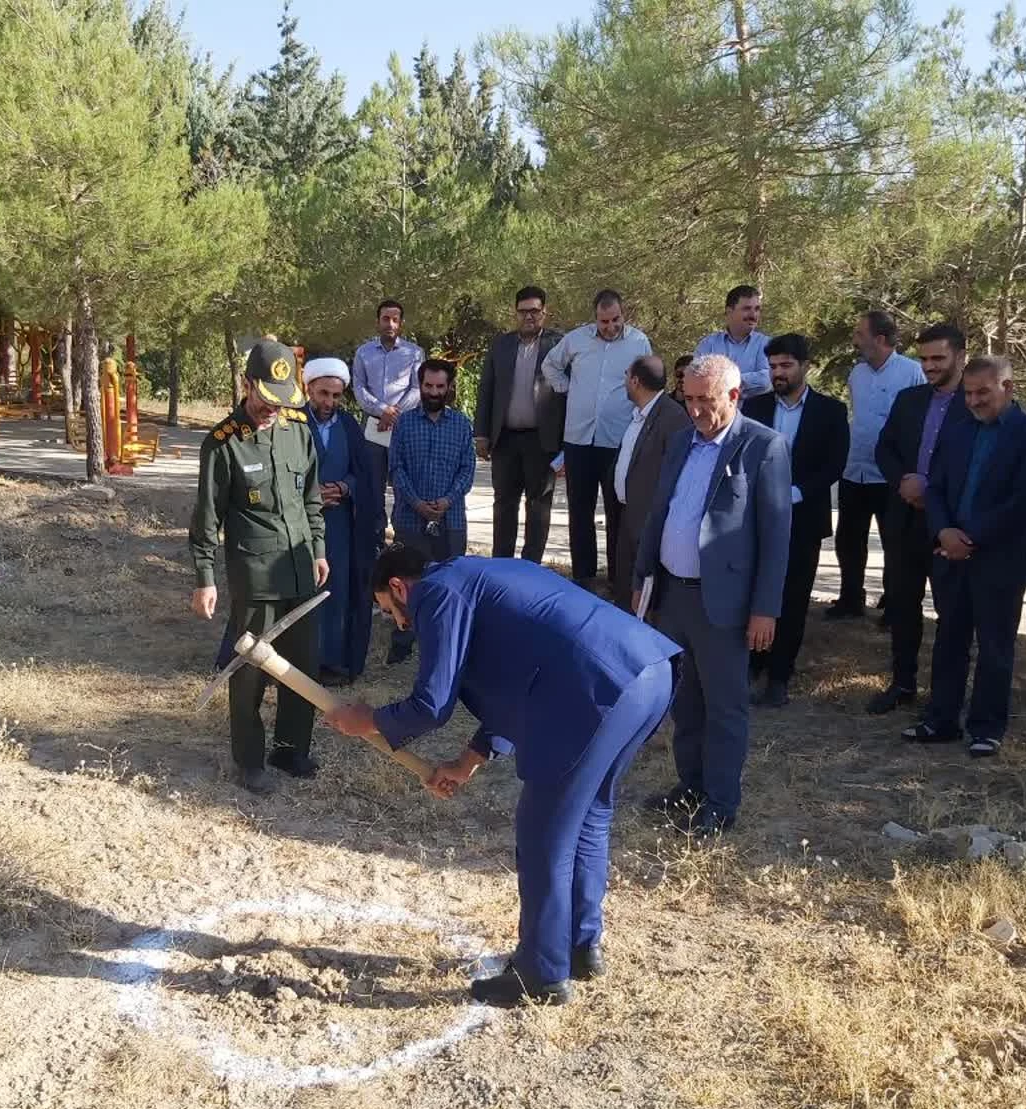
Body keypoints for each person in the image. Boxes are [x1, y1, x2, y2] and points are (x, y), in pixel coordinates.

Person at [323, 547, 678, 1006]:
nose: (401, 624)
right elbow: (515, 683)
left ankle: (541, 975)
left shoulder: (437, 593)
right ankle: (578, 947)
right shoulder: (479, 577)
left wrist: (368, 720)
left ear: (398, 587)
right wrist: (466, 763)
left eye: (390, 611)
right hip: (647, 670)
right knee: (589, 816)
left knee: (544, 833)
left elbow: (431, 705)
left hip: (595, 687)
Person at [633, 355, 792, 836]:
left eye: (706, 399)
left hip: (724, 604)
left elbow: (776, 536)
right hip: (673, 596)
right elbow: (660, 513)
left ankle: (721, 803)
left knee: (724, 707)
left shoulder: (763, 447)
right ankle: (692, 787)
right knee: (685, 703)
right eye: (689, 398)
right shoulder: (682, 441)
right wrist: (642, 579)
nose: (696, 409)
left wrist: (765, 609)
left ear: (734, 396)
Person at [190, 339, 329, 793]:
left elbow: (311, 499)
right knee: (250, 671)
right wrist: (205, 578)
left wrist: (319, 550)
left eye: (281, 400)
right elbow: (206, 518)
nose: (273, 409)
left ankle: (290, 749)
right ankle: (249, 761)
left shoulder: (298, 431)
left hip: (300, 568)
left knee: (301, 668)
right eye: (266, 398)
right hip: (256, 575)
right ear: (247, 384)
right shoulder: (222, 444)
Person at [901, 357, 1026, 756]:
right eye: (968, 393)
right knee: (949, 640)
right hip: (950, 555)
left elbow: (1024, 501)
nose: (973, 401)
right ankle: (941, 720)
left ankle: (986, 728)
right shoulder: (957, 430)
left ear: (1008, 387)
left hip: (999, 559)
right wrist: (943, 531)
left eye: (982, 392)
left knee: (995, 646)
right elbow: (935, 488)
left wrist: (969, 538)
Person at [867, 323, 973, 713]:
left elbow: (978, 462)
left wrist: (931, 489)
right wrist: (904, 482)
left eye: (938, 358)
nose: (929, 366)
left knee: (952, 613)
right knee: (902, 605)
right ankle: (902, 683)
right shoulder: (909, 400)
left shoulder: (975, 402)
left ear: (961, 356)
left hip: (951, 526)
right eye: (924, 359)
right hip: (905, 521)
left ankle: (945, 696)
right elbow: (885, 448)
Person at [740, 334, 849, 707]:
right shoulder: (753, 407)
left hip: (803, 520)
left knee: (793, 598)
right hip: (756, 519)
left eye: (785, 365)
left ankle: (779, 676)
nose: (778, 373)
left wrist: (797, 493)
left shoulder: (831, 411)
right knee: (755, 593)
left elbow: (834, 464)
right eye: (772, 366)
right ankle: (752, 665)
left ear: (806, 366)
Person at [541, 289, 652, 587]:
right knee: (580, 510)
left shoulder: (639, 342)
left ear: (623, 314)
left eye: (615, 319)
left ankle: (618, 578)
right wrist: (566, 388)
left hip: (618, 440)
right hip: (579, 439)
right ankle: (584, 576)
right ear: (595, 318)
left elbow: (648, 382)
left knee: (618, 511)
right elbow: (550, 365)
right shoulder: (576, 339)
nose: (610, 326)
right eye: (604, 321)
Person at [830, 310, 924, 620]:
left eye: (860, 334)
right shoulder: (857, 374)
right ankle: (850, 599)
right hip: (854, 470)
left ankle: (894, 604)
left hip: (891, 475)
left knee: (894, 542)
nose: (855, 340)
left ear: (880, 339)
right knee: (848, 540)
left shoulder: (912, 372)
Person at [388, 359, 476, 659]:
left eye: (440, 386)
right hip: (409, 518)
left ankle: (446, 642)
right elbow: (396, 468)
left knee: (450, 584)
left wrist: (448, 500)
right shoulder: (404, 423)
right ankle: (403, 642)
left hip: (451, 520)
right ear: (420, 385)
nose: (434, 392)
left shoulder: (462, 424)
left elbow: (467, 470)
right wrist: (417, 503)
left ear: (449, 387)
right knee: (405, 581)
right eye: (428, 386)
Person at [299, 356, 380, 685]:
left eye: (335, 395)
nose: (329, 402)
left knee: (338, 589)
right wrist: (311, 493)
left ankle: (332, 661)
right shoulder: (293, 423)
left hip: (341, 524)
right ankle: (300, 660)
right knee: (303, 589)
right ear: (309, 389)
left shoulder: (348, 425)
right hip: (300, 524)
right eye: (323, 394)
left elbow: (363, 474)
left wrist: (346, 487)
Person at [473, 286, 566, 562]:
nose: (529, 316)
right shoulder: (501, 345)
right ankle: (501, 565)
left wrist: (566, 445)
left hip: (542, 440)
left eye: (534, 311)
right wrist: (482, 434)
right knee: (504, 503)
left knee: (538, 505)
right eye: (523, 312)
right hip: (505, 439)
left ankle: (530, 567)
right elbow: (486, 389)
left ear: (544, 312)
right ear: (515, 313)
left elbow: (569, 396)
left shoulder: (558, 346)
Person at [611, 354, 692, 610]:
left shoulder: (672, 418)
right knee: (626, 592)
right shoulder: (640, 414)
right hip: (630, 515)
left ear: (635, 381)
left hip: (650, 522)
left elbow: (677, 473)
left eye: (626, 376)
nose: (624, 381)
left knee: (647, 601)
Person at [351, 299, 425, 535]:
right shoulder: (363, 353)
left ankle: (404, 537)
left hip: (404, 427)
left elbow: (417, 388)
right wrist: (382, 410)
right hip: (373, 426)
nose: (390, 324)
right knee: (373, 484)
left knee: (404, 483)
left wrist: (394, 414)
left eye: (395, 319)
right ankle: (376, 538)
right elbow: (359, 388)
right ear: (378, 321)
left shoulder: (414, 353)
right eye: (385, 319)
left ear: (401, 323)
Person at [693, 284, 772, 398]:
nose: (753, 315)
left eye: (757, 309)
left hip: (752, 409)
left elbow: (766, 381)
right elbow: (696, 379)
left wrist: (722, 382)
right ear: (729, 311)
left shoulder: (766, 344)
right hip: (714, 409)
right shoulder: (708, 344)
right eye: (747, 309)